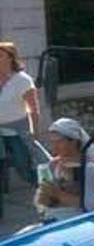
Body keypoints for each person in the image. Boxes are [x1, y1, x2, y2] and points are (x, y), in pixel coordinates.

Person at [33, 118, 94, 222]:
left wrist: (57, 194)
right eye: (52, 142)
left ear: (73, 141)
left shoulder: (89, 168)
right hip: (53, 220)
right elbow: (43, 202)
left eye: (59, 142)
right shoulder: (54, 165)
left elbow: (91, 206)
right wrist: (43, 197)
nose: (54, 147)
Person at [0, 41, 40, 188]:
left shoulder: (22, 80)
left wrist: (34, 132)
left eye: (0, 56)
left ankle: (45, 189)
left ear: (10, 58)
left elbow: (33, 108)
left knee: (23, 167)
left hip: (16, 131)